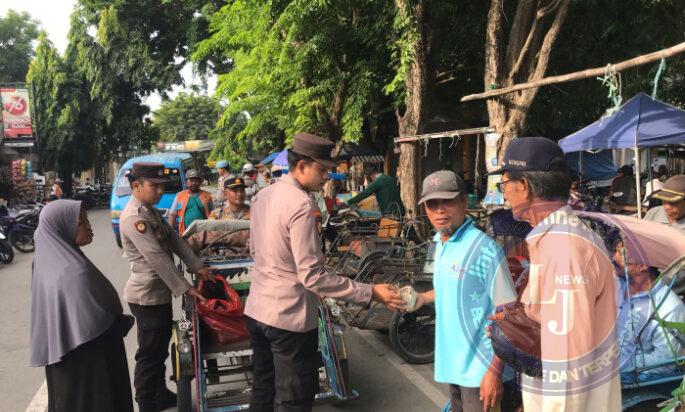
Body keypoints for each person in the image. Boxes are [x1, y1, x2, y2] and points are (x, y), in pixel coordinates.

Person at [244, 132, 404, 412]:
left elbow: (254, 250)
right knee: (293, 398)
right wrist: (371, 292)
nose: (327, 177)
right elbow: (312, 277)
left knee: (263, 389)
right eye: (322, 169)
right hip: (287, 318)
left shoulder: (263, 195)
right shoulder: (300, 204)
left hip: (258, 311)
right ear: (302, 166)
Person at [492, 136, 621, 411]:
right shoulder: (557, 240)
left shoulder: (564, 249)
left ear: (524, 186)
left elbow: (568, 369)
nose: (503, 193)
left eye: (504, 184)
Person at [407, 170, 518, 412]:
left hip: (481, 371)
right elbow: (454, 290)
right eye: (431, 203)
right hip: (453, 366)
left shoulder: (484, 250)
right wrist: (421, 298)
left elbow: (509, 313)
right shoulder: (439, 242)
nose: (439, 210)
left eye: (446, 201)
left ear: (464, 202)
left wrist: (494, 372)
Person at [119, 162, 216, 412]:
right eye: (155, 186)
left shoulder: (150, 210)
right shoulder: (134, 217)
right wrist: (185, 287)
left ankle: (159, 393)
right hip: (146, 295)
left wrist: (196, 266)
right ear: (136, 186)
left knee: (161, 346)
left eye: (162, 186)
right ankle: (146, 401)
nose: (160, 191)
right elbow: (156, 257)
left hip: (159, 293)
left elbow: (173, 238)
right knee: (150, 353)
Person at [30, 200, 134, 412]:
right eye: (82, 222)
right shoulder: (73, 272)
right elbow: (94, 321)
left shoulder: (49, 260)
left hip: (67, 358)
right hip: (91, 361)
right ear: (63, 227)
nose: (89, 226)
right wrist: (119, 322)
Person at [613, 241, 685, 376]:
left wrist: (618, 365)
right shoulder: (614, 284)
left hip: (629, 383)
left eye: (621, 254)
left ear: (642, 265)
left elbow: (665, 361)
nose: (614, 258)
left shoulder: (669, 307)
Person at [168, 169, 214, 234]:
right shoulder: (180, 196)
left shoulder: (207, 195)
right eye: (191, 181)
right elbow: (172, 214)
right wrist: (170, 232)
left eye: (196, 180)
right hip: (184, 233)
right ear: (186, 183)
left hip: (204, 233)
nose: (194, 183)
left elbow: (213, 213)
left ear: (200, 182)